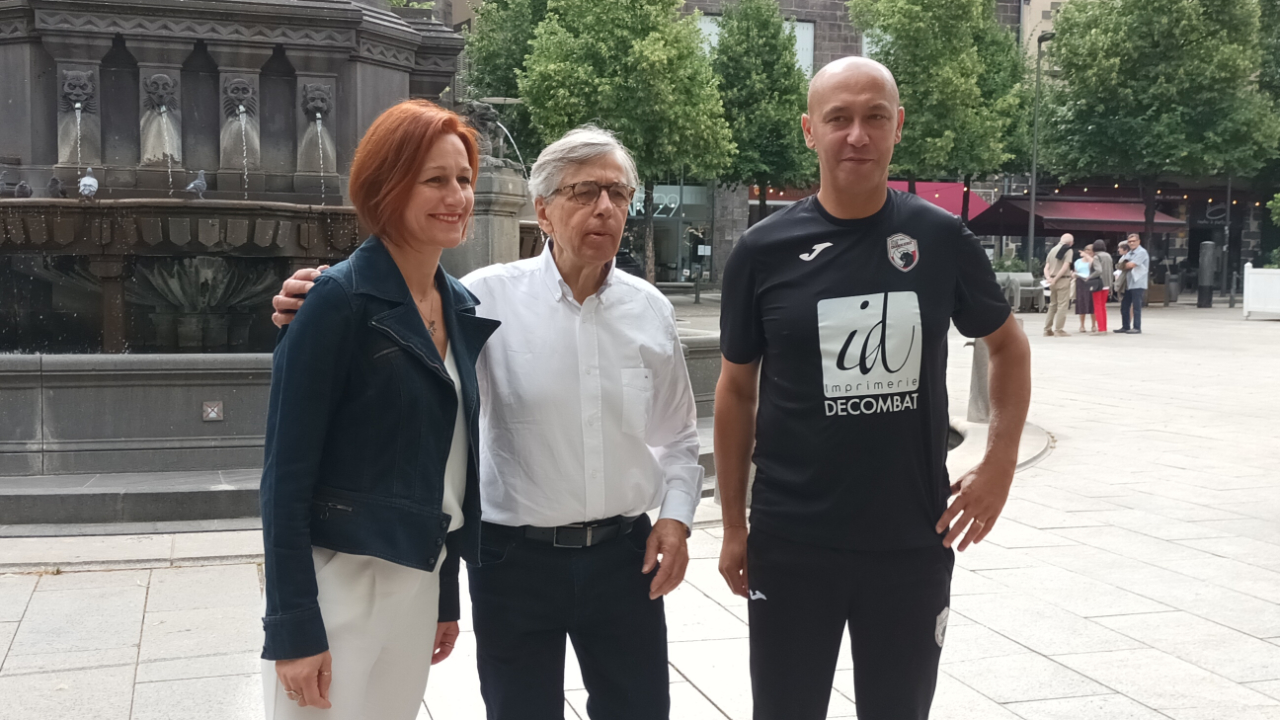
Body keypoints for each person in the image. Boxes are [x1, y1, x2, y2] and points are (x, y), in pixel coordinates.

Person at [273, 126, 703, 720]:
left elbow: (679, 437)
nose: (606, 207)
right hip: (512, 565)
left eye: (619, 193)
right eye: (584, 191)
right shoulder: (480, 301)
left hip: (624, 563)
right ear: (543, 210)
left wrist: (676, 520)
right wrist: (313, 295)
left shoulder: (651, 311)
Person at [715, 56, 1031, 720]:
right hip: (793, 541)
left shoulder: (940, 238)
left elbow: (1007, 345)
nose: (856, 135)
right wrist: (736, 527)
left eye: (873, 118)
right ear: (810, 130)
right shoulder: (762, 251)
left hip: (910, 540)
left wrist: (999, 463)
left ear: (897, 127)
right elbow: (736, 390)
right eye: (838, 119)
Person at [258, 100, 499, 719]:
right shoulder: (335, 301)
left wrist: (446, 590)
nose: (457, 196)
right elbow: (283, 480)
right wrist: (293, 629)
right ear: (388, 186)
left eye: (464, 179)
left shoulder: (462, 308)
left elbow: (445, 464)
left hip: (416, 580)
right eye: (435, 179)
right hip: (339, 578)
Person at [1042, 234, 1075, 337]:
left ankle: (1047, 329)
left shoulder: (1052, 250)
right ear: (1071, 242)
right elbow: (1065, 267)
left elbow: (1046, 267)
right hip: (1062, 279)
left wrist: (1049, 278)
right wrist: (1056, 279)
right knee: (1062, 305)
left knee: (1052, 305)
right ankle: (1059, 329)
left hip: (1051, 279)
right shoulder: (1068, 250)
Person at [1117, 233, 1149, 334]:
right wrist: (1124, 264)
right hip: (1128, 282)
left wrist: (1124, 264)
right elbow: (1119, 265)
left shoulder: (1142, 252)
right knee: (1124, 306)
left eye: (1133, 241)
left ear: (1139, 241)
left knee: (1136, 306)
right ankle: (1125, 326)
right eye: (1129, 242)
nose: (1131, 243)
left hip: (1138, 282)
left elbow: (1131, 265)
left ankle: (1137, 327)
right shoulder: (1130, 253)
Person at [1090, 240, 1113, 333]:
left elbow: (1098, 270)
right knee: (1103, 306)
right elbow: (1111, 270)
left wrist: (1089, 277)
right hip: (1107, 283)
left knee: (1097, 306)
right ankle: (1104, 328)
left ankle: (1101, 329)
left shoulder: (1096, 257)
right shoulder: (1108, 256)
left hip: (1098, 284)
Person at [1074, 245, 1096, 333]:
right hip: (1080, 282)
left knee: (1092, 304)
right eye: (1086, 250)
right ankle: (1082, 325)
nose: (1088, 252)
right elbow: (1076, 271)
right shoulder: (1078, 261)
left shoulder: (1094, 260)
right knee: (1081, 303)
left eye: (1090, 250)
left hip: (1091, 282)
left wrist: (1088, 257)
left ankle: (1093, 325)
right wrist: (1074, 274)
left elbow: (1094, 267)